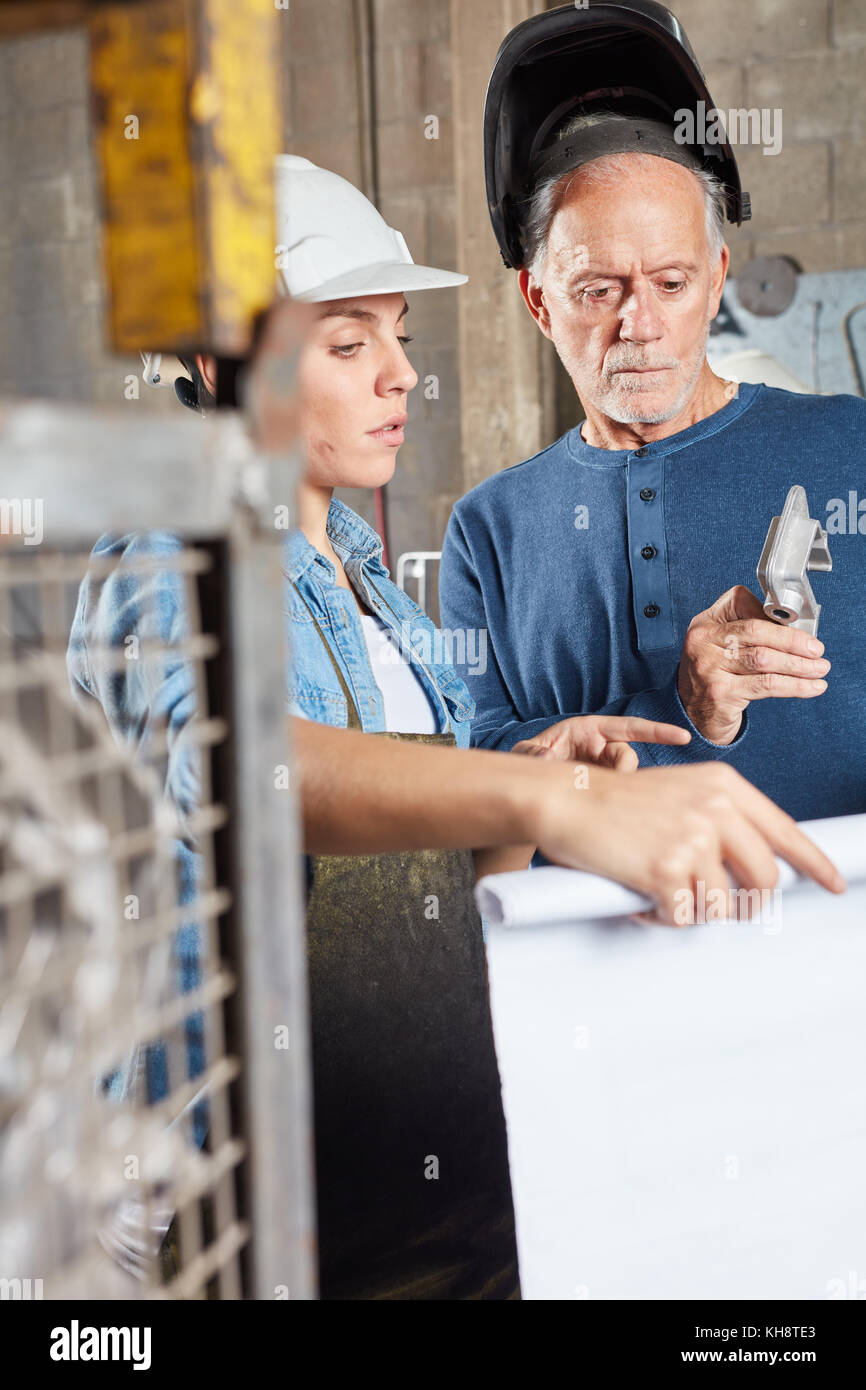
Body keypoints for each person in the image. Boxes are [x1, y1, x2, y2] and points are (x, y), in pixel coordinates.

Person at [68, 153, 845, 1299]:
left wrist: (538, 772)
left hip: (426, 1166)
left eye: (399, 340)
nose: (397, 378)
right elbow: (236, 766)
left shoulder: (377, 585)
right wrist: (536, 795)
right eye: (347, 343)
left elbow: (431, 879)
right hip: (251, 1197)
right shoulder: (170, 548)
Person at [439, 5, 866, 827]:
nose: (639, 324)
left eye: (670, 283)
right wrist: (679, 709)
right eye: (599, 291)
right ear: (538, 302)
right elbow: (474, 773)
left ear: (716, 278)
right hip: (589, 944)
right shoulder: (488, 531)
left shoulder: (849, 447)